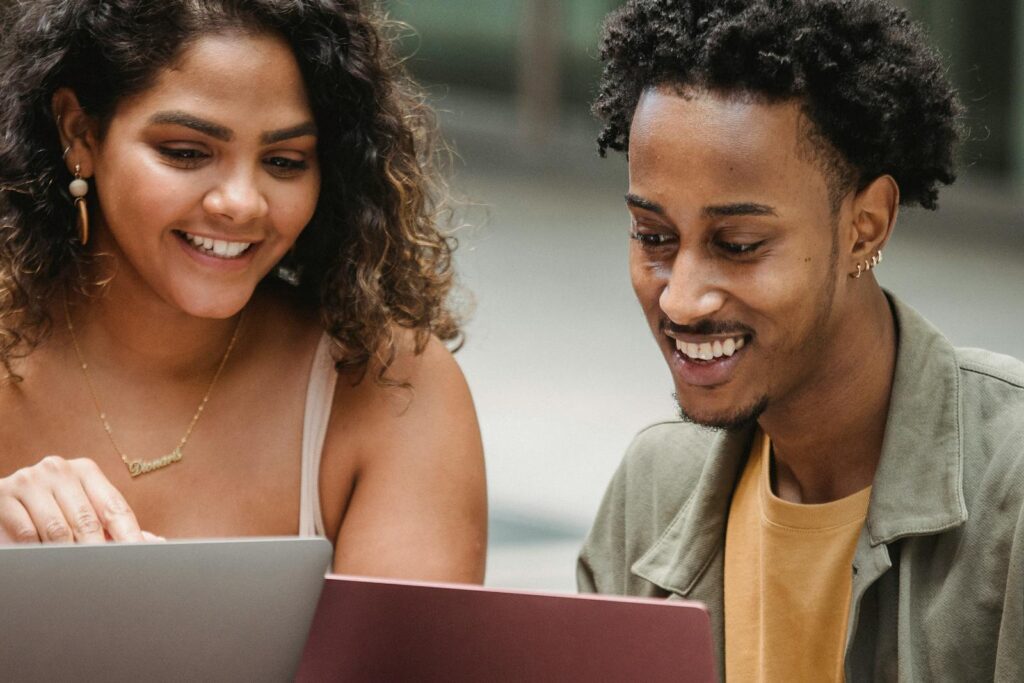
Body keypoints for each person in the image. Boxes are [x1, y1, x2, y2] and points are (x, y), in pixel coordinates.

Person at [577, 0, 1024, 680]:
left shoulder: (1010, 489)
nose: (681, 296)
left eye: (739, 244)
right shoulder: (653, 488)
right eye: (653, 237)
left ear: (865, 227)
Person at [0, 0, 486, 583]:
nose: (241, 202)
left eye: (284, 161)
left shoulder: (388, 384)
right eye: (186, 153)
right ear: (80, 132)